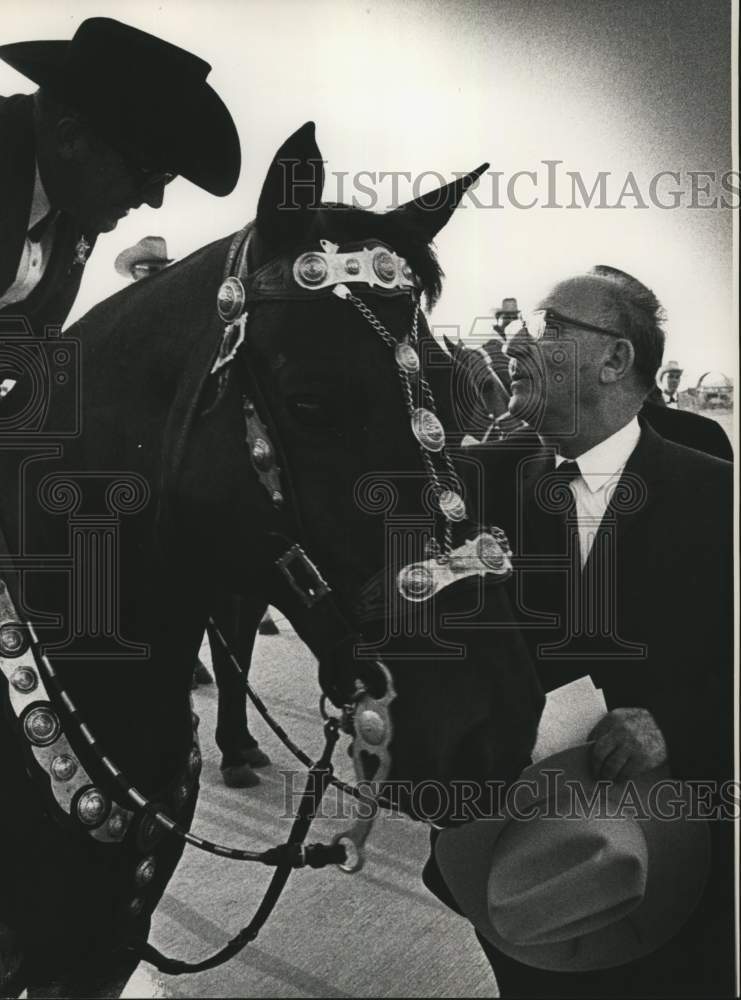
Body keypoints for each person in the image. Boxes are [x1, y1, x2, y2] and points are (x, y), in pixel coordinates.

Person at [425, 265, 734, 997]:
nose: (521, 344)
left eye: (552, 326)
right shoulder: (472, 488)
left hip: (666, 860)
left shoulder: (717, 497)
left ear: (615, 358)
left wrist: (675, 731)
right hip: (522, 871)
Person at [1, 16, 240, 335]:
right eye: (146, 173)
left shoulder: (77, 201)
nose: (154, 200)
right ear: (71, 138)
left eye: (166, 179)